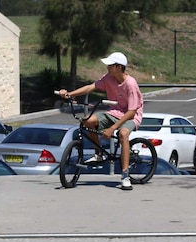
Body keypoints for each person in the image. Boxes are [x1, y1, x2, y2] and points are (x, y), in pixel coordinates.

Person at [57, 51, 144, 191]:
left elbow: (131, 111)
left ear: (118, 67)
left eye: (110, 65)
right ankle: (99, 153)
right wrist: (69, 94)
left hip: (131, 115)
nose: (107, 68)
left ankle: (125, 176)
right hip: (114, 112)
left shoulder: (131, 84)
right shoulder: (108, 78)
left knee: (122, 134)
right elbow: (91, 87)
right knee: (88, 121)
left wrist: (112, 128)